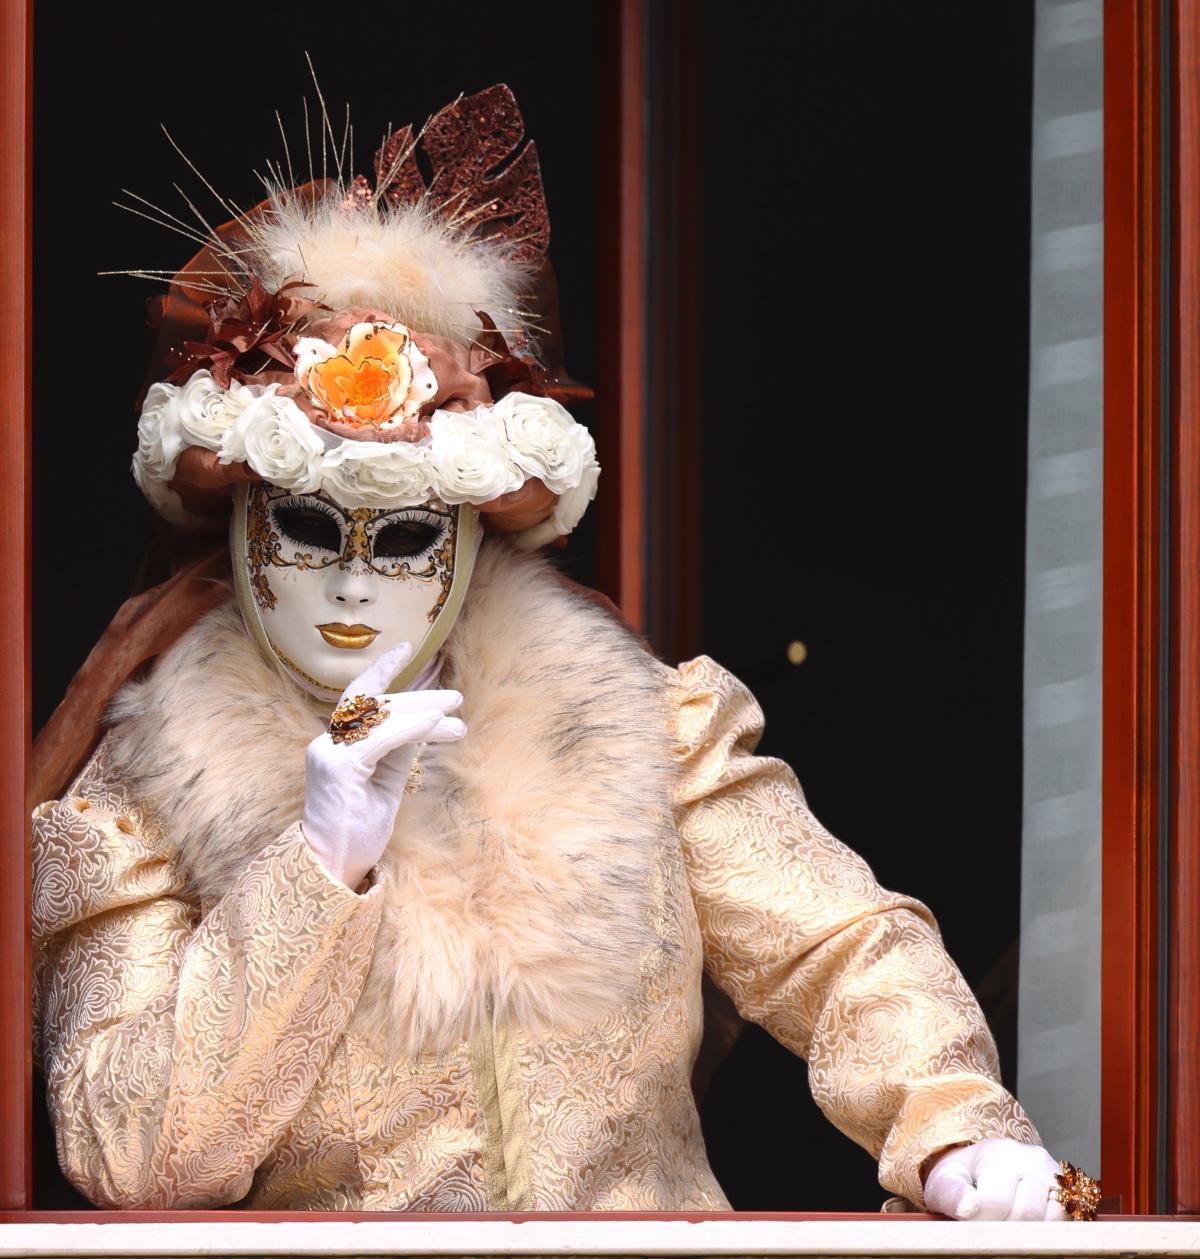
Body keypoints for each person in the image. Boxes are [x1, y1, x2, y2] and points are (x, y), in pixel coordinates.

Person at [30, 85, 1097, 1221]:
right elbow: (132, 1151)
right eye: (303, 521)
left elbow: (840, 945)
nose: (349, 580)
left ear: (471, 527)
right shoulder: (136, 793)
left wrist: (951, 1128)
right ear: (237, 519)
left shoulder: (645, 722)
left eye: (400, 533)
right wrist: (315, 867)